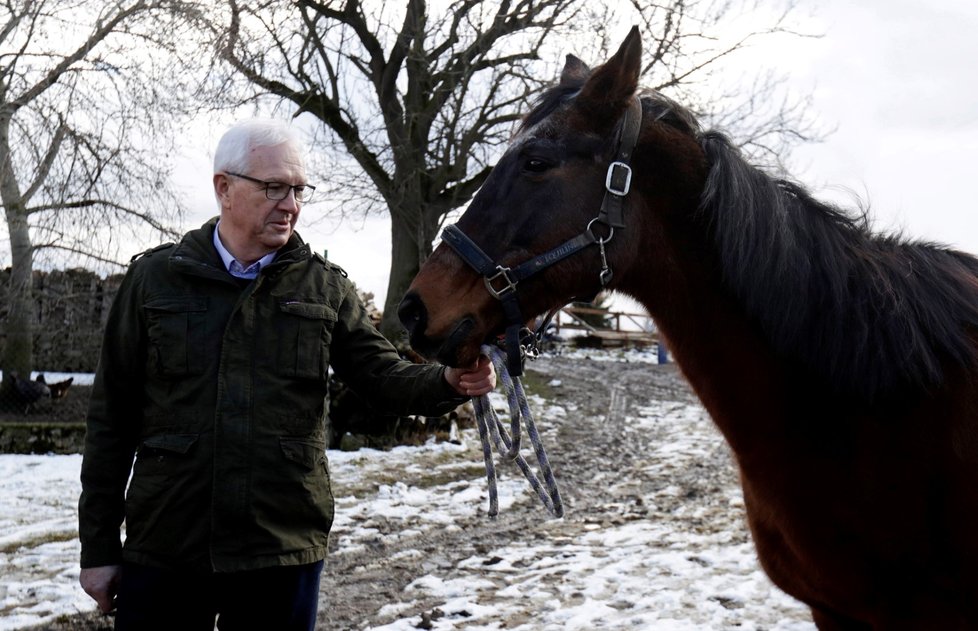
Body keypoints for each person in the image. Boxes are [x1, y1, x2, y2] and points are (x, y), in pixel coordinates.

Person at [77, 118, 495, 630]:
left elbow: (380, 375)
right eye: (274, 187)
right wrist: (98, 545)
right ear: (224, 188)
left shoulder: (324, 288)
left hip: (279, 548)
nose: (291, 204)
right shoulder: (155, 280)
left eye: (298, 189)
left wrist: (447, 382)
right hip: (168, 543)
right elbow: (111, 419)